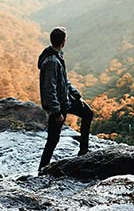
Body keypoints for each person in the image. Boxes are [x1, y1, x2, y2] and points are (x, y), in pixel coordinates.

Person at [37, 27, 93, 171]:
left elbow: (64, 81)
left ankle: (83, 151)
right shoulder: (52, 61)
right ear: (64, 41)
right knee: (53, 140)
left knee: (88, 113)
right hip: (59, 105)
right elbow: (49, 89)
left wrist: (76, 95)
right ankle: (42, 169)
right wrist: (56, 112)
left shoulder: (57, 55)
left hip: (66, 100)